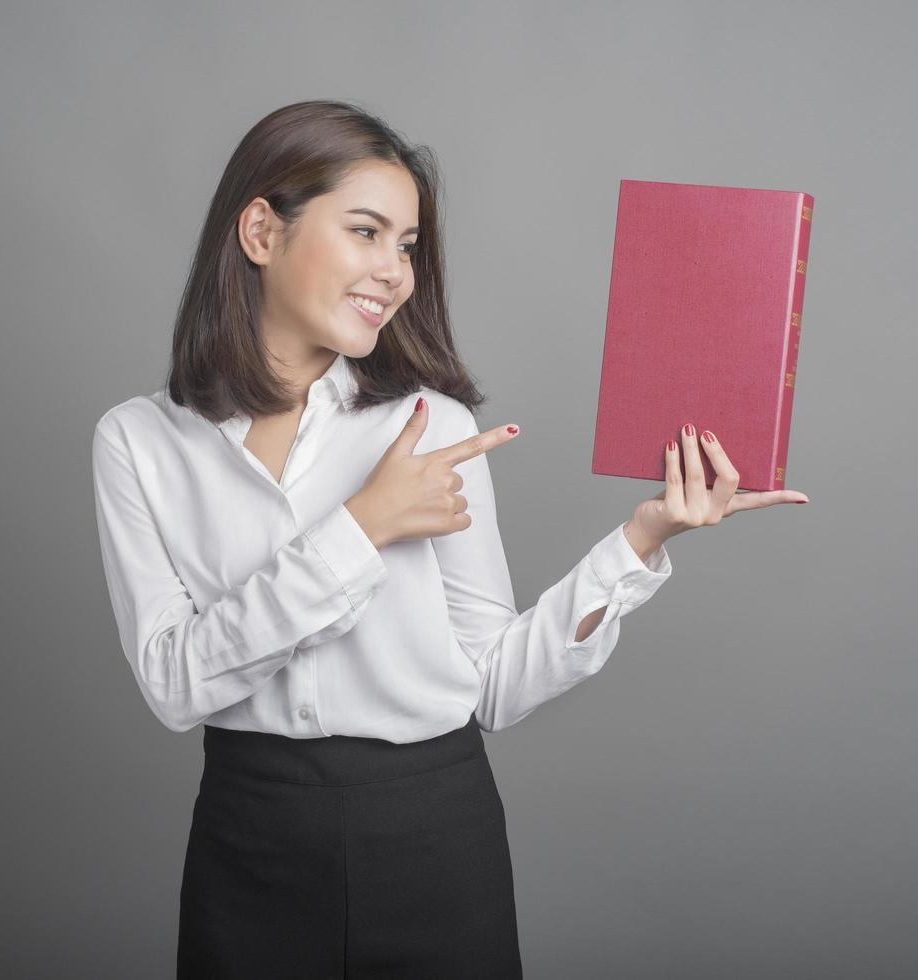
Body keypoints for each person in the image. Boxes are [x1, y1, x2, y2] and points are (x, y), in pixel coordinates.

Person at [90, 99, 809, 980]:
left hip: (431, 837)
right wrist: (363, 526)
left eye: (407, 245)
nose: (394, 272)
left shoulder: (433, 424)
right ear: (259, 231)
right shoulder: (137, 441)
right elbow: (174, 683)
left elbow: (493, 686)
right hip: (248, 843)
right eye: (366, 231)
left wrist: (643, 539)